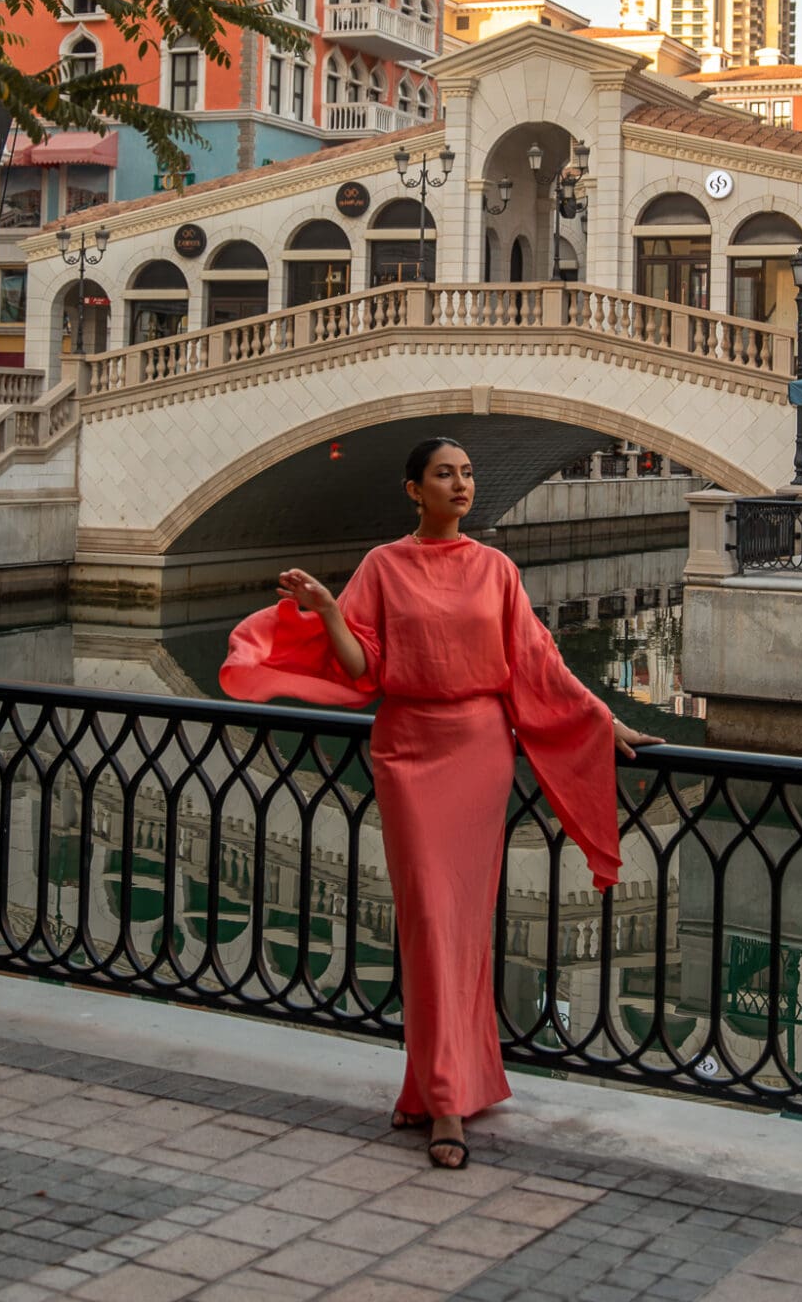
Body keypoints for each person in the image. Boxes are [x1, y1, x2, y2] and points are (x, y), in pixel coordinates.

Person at [219, 436, 661, 1171]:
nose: (460, 485)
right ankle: (444, 1092)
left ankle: (443, 1090)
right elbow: (362, 668)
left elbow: (537, 662)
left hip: (479, 751)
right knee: (427, 920)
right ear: (412, 490)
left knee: (460, 926)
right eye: (443, 475)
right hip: (406, 750)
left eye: (466, 473)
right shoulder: (383, 566)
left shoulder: (496, 569)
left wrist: (601, 719)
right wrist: (328, 609)